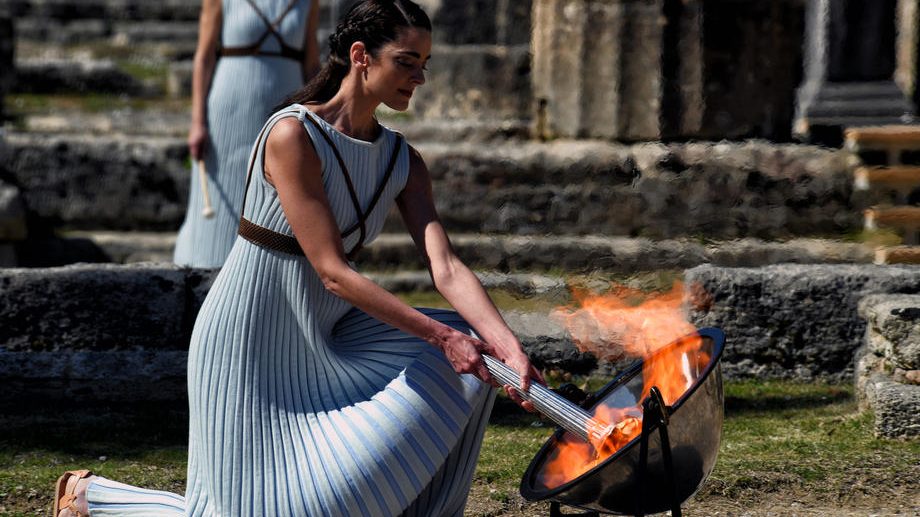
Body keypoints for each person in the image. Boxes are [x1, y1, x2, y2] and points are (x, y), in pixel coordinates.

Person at [52, 1, 543, 515]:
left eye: (425, 63)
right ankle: (92, 497)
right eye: (406, 61)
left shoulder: (404, 160)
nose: (419, 77)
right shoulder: (292, 136)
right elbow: (332, 271)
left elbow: (445, 268)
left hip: (328, 339)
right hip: (250, 342)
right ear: (361, 56)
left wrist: (507, 347)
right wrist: (442, 335)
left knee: (477, 363)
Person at [173, 0, 321, 268]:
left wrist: (320, 114)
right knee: (223, 195)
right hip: (230, 106)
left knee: (279, 193)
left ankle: (268, 273)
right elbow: (204, 56)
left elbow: (311, 65)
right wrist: (197, 122)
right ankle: (203, 269)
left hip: (285, 109)